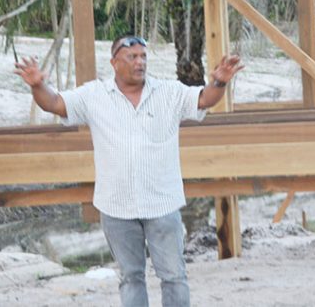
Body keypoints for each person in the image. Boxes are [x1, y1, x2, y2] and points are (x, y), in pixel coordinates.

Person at [14, 35, 243, 307]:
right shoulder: (94, 95)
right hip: (116, 207)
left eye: (143, 57)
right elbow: (54, 103)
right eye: (132, 57)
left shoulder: (168, 92)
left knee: (174, 276)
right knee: (131, 277)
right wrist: (38, 84)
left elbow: (204, 99)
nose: (140, 62)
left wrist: (219, 81)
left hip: (162, 204)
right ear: (114, 63)